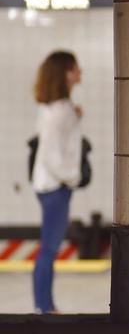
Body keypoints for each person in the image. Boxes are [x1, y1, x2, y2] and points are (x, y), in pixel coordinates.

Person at [31, 51, 83, 314]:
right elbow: (53, 155)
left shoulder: (53, 107)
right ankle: (44, 306)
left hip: (48, 185)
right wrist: (73, 177)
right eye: (75, 68)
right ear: (64, 73)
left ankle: (45, 304)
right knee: (49, 248)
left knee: (49, 248)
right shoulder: (59, 111)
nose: (79, 72)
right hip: (55, 186)